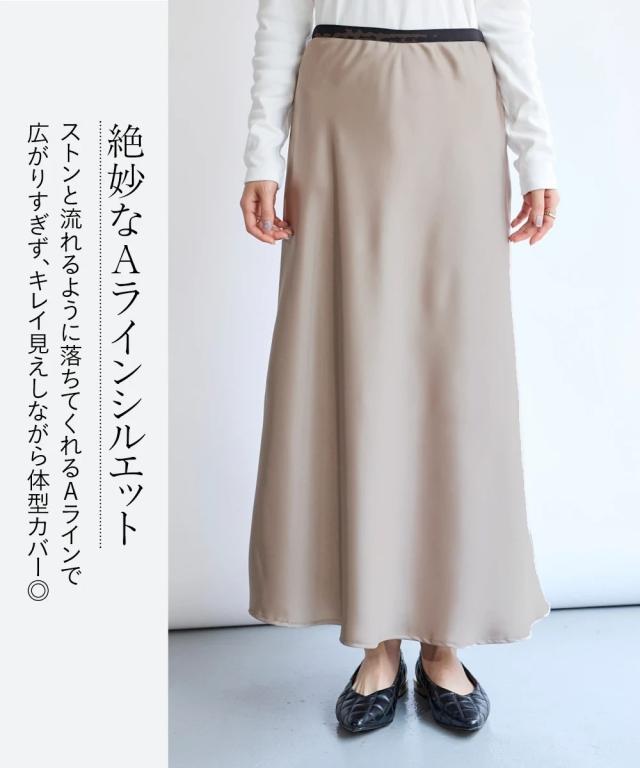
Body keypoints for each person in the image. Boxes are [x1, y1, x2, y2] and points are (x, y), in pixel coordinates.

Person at [240, 0, 560, 734]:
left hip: (457, 98)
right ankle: (377, 642)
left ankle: (446, 641)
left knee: (459, 365)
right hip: (340, 107)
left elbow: (507, 15)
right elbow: (282, 15)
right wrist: (261, 152)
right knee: (352, 360)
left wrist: (535, 151)